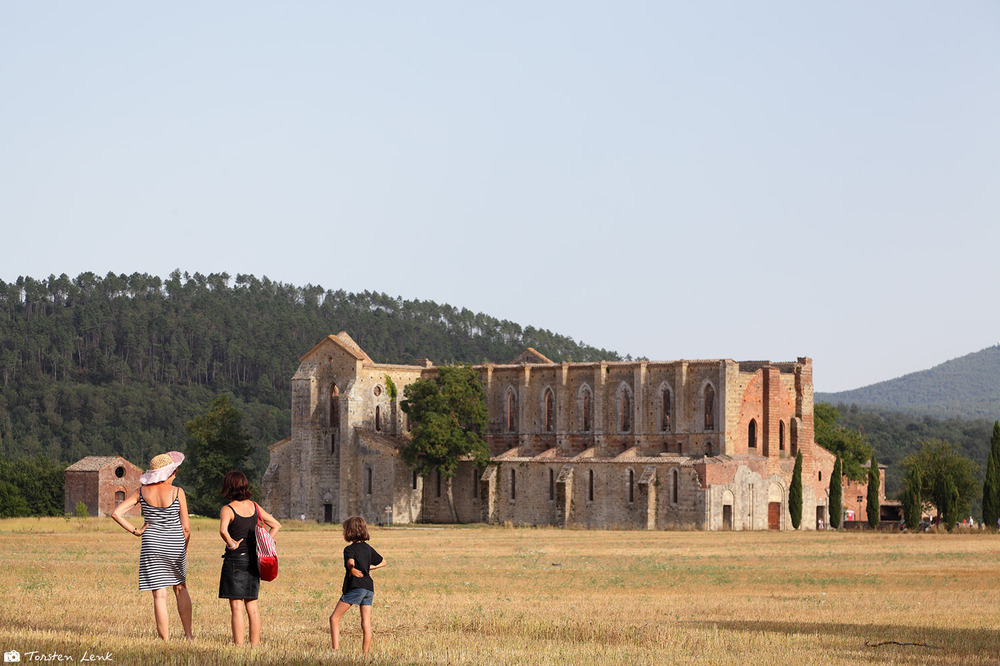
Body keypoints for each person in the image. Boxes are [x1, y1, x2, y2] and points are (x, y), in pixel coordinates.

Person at [111, 451, 193, 640]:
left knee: (159, 595)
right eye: (174, 471)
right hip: (175, 544)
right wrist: (183, 547)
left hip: (152, 544)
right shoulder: (177, 492)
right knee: (180, 588)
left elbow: (116, 513)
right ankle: (188, 635)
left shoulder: (141, 491)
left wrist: (136, 531)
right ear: (169, 473)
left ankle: (164, 640)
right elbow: (186, 528)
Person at [218, 470, 282, 646]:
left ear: (228, 487)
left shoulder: (228, 509)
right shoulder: (254, 506)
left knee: (237, 607)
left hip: (235, 560)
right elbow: (276, 525)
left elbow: (223, 530)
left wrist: (232, 544)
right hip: (254, 561)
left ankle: (239, 645)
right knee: (252, 607)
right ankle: (254, 645)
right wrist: (266, 541)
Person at [330, 516, 386, 657]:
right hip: (369, 588)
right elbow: (383, 562)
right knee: (365, 623)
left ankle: (335, 652)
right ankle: (365, 655)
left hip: (356, 587)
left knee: (334, 618)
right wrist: (368, 568)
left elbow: (350, 562)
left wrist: (352, 569)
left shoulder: (349, 549)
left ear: (349, 532)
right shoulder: (368, 548)